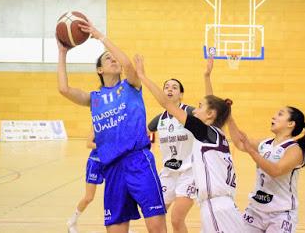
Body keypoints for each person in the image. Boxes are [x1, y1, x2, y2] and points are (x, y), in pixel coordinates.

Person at [57, 18, 167, 233]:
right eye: (108, 59)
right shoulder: (94, 98)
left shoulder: (131, 86)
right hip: (112, 168)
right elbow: (64, 89)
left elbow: (127, 64)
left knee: (156, 228)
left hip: (138, 161)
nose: (113, 60)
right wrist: (63, 52)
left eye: (114, 57)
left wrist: (100, 36)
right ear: (99, 70)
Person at [134, 55, 245, 233]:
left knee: (176, 219)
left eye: (200, 106)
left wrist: (142, 75)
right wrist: (206, 76)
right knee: (156, 215)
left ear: (209, 115)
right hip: (218, 201)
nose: (196, 109)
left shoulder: (203, 130)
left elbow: (165, 103)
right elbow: (213, 107)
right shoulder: (214, 131)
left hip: (214, 201)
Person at [227, 106, 305, 233]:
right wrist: (229, 117)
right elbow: (240, 143)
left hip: (281, 213)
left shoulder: (295, 149)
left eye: (280, 114)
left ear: (291, 124)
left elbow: (276, 171)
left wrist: (251, 151)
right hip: (255, 210)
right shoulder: (265, 144)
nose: (274, 117)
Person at [147, 79, 196, 233]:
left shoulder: (190, 112)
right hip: (168, 173)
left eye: (174, 87)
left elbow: (209, 121)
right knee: (156, 218)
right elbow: (142, 134)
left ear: (181, 94)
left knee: (176, 219)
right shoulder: (159, 119)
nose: (170, 89)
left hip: (189, 172)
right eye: (166, 87)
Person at [67, 128, 103, 233]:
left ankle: (122, 226)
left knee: (116, 196)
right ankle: (72, 221)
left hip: (109, 163)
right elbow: (88, 144)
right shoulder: (97, 125)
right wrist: (105, 147)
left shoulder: (116, 124)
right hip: (95, 163)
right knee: (89, 197)